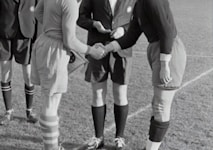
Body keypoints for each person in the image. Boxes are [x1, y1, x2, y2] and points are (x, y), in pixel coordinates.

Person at [103, 0, 187, 149]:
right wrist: (107, 48)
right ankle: (149, 147)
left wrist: (165, 64)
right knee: (157, 104)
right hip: (157, 51)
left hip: (168, 52)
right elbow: (132, 36)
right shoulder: (139, 4)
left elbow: (166, 30)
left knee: (161, 106)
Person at [33, 0, 105, 149]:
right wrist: (92, 51)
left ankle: (52, 145)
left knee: (49, 98)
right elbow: (70, 40)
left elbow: (38, 12)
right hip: (55, 50)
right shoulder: (70, 3)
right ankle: (51, 147)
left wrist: (52, 27)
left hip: (44, 44)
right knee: (50, 102)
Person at [77, 0, 137, 149]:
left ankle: (119, 138)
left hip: (122, 50)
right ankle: (98, 137)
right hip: (98, 49)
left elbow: (139, 21)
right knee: (97, 93)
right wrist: (94, 24)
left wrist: (124, 29)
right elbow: (80, 18)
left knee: (120, 94)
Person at [0, 0, 38, 125]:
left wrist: (36, 37)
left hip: (26, 33)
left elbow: (39, 11)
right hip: (4, 32)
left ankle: (29, 111)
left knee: (28, 73)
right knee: (5, 71)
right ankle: (8, 111)